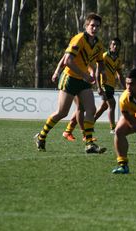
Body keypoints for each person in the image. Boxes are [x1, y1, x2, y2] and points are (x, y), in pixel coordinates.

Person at [34, 12, 106, 154]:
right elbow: (67, 61)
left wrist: (97, 75)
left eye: (97, 26)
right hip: (70, 78)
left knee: (91, 109)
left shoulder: (98, 44)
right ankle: (41, 136)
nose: (95, 28)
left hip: (83, 81)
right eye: (92, 25)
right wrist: (84, 74)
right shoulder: (79, 39)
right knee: (62, 112)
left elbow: (99, 63)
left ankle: (89, 143)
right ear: (86, 26)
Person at [61, 38, 124, 140]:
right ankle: (110, 129)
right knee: (110, 104)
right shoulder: (103, 56)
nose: (115, 47)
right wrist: (98, 86)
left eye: (117, 45)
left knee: (94, 107)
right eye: (113, 44)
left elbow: (118, 74)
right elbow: (97, 71)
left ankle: (72, 129)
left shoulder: (117, 59)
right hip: (98, 83)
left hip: (104, 84)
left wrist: (126, 88)